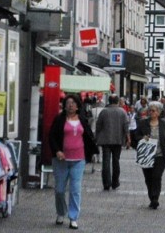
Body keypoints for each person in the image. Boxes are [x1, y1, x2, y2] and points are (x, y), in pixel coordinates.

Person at [48, 94, 97, 229]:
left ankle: (73, 217)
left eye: (73, 103)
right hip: (61, 160)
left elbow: (89, 136)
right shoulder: (59, 119)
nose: (70, 105)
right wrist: (57, 150)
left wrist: (91, 152)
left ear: (77, 106)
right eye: (68, 103)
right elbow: (51, 136)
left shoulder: (82, 119)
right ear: (64, 105)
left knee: (75, 189)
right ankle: (60, 212)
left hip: (78, 159)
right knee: (59, 190)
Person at [134, 100, 165, 208]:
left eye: (153, 111)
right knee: (148, 178)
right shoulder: (143, 123)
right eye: (150, 110)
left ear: (159, 112)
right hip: (146, 155)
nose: (151, 112)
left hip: (160, 155)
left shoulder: (163, 124)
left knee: (156, 176)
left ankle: (155, 198)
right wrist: (142, 138)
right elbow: (135, 137)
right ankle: (151, 197)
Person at [95, 94, 131, 190]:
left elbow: (98, 126)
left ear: (109, 101)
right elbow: (126, 127)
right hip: (118, 140)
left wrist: (96, 137)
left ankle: (106, 183)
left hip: (105, 140)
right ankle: (115, 182)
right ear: (117, 101)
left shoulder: (104, 112)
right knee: (116, 161)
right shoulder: (122, 112)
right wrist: (128, 139)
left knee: (106, 162)